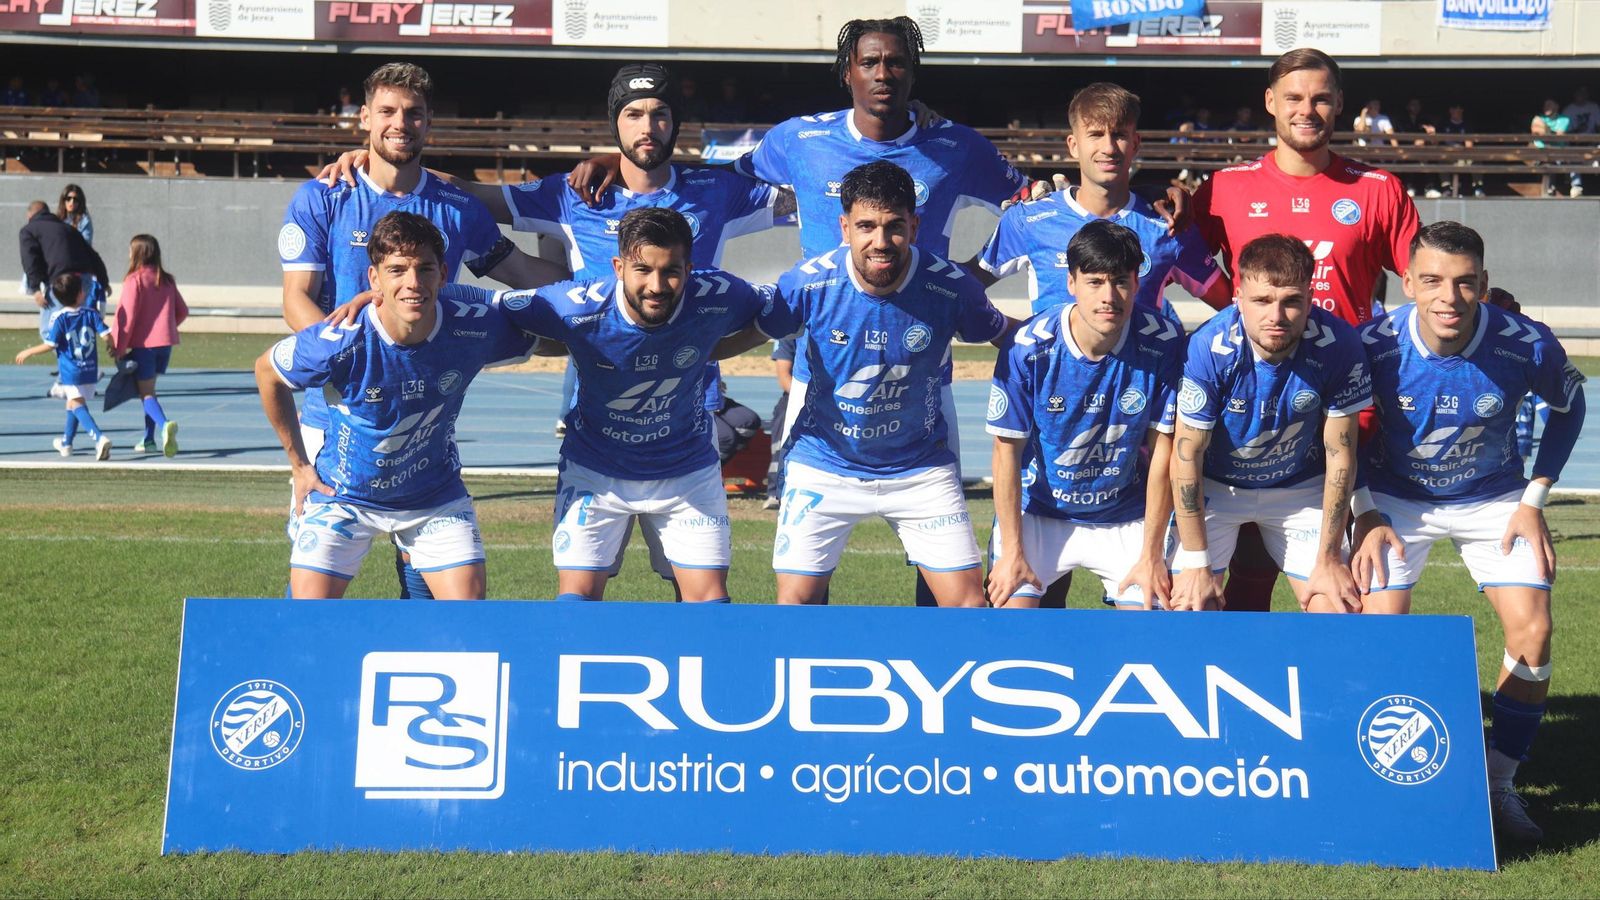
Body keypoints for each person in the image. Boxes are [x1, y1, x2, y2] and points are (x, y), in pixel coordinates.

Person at [281, 61, 561, 599]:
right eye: (387, 111)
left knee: (429, 586)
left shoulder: (456, 207)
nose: (400, 123)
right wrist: (348, 360)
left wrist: (609, 274)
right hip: (333, 418)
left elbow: (524, 276)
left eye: (413, 113)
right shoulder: (323, 196)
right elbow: (295, 299)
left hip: (421, 413)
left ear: (429, 122)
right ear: (364, 117)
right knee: (314, 597)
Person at [1349, 222, 1586, 842]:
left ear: (1482, 283)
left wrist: (1534, 498)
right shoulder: (1370, 343)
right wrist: (1363, 507)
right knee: (1380, 639)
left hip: (1494, 499)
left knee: (1533, 633)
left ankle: (1497, 785)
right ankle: (1386, 781)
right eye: (1430, 281)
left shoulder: (1524, 343)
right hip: (1395, 502)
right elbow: (1337, 429)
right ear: (1408, 284)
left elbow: (1569, 407)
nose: (1447, 298)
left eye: (1462, 283)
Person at [1190, 48, 1421, 613]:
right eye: (1294, 97)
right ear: (1270, 103)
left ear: (1340, 104)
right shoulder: (1223, 190)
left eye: (1321, 97)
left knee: (1341, 589)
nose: (1307, 109)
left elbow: (1428, 278)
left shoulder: (1377, 189)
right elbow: (1170, 260)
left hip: (1346, 409)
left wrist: (1492, 310)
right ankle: (1248, 692)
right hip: (1247, 411)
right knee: (1241, 578)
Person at [492, 207, 798, 603]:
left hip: (686, 470)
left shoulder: (720, 294)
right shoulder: (574, 306)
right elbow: (487, 311)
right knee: (575, 606)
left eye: (671, 270)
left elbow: (784, 304)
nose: (657, 285)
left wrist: (716, 347)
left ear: (689, 269)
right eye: (643, 270)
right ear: (619, 267)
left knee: (711, 607)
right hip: (594, 473)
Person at [769, 160, 1014, 607]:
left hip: (918, 467)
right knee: (795, 608)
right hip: (824, 461)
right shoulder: (807, 284)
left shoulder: (950, 288)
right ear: (844, 228)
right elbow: (742, 326)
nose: (880, 242)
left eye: (894, 227)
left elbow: (1009, 336)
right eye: (866, 226)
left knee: (970, 608)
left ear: (915, 226)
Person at [257, 212, 536, 601]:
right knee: (307, 618)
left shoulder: (475, 324)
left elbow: (552, 323)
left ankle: (415, 578)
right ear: (374, 279)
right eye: (397, 270)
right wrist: (299, 466)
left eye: (424, 269)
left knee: (468, 620)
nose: (413, 282)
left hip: (433, 496)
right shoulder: (340, 339)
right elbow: (267, 371)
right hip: (344, 496)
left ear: (443, 272)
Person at [985, 220, 1183, 610]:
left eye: (1121, 282)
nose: (1110, 296)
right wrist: (1011, 552)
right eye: (1095, 282)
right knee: (1011, 624)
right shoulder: (1028, 347)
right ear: (1071, 282)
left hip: (1126, 516)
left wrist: (1152, 554)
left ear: (1136, 283)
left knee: (1153, 627)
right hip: (1039, 512)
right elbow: (1005, 453)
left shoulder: (1163, 342)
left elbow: (1166, 453)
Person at [1168, 235, 1371, 614]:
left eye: (1291, 302)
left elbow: (1340, 456)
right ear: (1238, 297)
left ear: (1310, 299)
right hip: (1218, 488)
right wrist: (1197, 563)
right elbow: (1186, 456)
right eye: (1261, 301)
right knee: (1189, 606)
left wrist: (1328, 559)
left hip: (1298, 488)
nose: (1276, 317)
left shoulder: (1339, 344)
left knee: (1335, 608)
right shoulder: (1208, 348)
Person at [973, 83, 1232, 322]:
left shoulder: (1169, 228)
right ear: (1074, 145)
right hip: (1050, 374)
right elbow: (964, 286)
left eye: (1119, 134)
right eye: (1095, 134)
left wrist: (1188, 353)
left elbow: (1233, 308)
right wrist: (1007, 333)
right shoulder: (1027, 219)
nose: (1108, 147)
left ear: (1135, 143)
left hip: (1141, 373)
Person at [14, 272, 113, 461]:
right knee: (72, 402)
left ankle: (99, 438)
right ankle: (67, 444)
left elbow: (50, 345)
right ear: (81, 293)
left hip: (71, 370)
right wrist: (113, 348)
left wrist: (29, 351)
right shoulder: (91, 313)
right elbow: (107, 335)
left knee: (77, 404)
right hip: (90, 369)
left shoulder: (59, 318)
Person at [111, 234, 187, 457]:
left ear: (137, 254)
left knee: (146, 394)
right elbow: (182, 311)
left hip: (144, 346)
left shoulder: (134, 280)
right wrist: (167, 327)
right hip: (164, 345)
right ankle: (148, 439)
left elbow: (127, 317)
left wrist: (119, 347)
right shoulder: (166, 280)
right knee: (149, 391)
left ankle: (164, 426)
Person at [19, 199, 109, 345]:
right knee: (77, 325)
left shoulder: (29, 230)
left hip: (62, 281)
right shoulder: (69, 229)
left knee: (49, 330)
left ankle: (70, 366)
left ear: (29, 216)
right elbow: (93, 255)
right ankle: (83, 363)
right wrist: (104, 282)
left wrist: (35, 289)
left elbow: (30, 259)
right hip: (84, 280)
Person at [764, 335, 796, 510]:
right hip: (796, 396)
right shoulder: (791, 333)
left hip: (832, 398)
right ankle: (775, 492)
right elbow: (784, 378)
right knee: (782, 432)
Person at [1560, 87, 1598, 197]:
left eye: (1584, 93)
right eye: (1579, 94)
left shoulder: (1593, 107)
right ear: (1574, 95)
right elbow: (1563, 131)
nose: (1581, 96)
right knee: (1573, 156)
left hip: (1593, 143)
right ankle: (1576, 187)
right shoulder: (1568, 110)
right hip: (1575, 144)